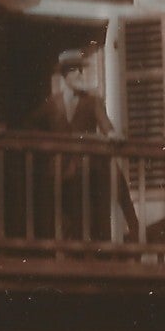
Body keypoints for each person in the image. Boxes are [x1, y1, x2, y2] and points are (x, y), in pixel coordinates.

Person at [28, 48, 134, 241]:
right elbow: (32, 124)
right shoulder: (53, 103)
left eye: (79, 69)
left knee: (89, 207)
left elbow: (106, 125)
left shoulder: (92, 100)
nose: (78, 73)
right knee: (59, 212)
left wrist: (112, 133)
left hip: (86, 166)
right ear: (63, 75)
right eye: (72, 70)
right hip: (60, 168)